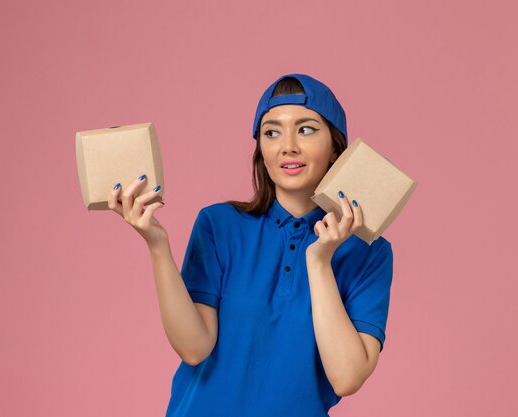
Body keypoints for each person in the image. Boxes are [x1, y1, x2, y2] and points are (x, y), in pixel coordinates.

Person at [107, 73, 394, 417]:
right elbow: (195, 349)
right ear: (261, 148)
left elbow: (346, 377)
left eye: (306, 129)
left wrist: (319, 262)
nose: (288, 145)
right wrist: (157, 244)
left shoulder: (369, 252)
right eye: (272, 132)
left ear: (335, 146)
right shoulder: (219, 225)